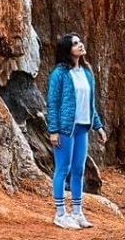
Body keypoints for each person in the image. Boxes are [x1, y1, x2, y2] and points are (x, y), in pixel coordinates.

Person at [46, 32, 107, 229]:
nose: (80, 45)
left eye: (80, 41)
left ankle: (78, 212)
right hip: (65, 128)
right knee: (63, 169)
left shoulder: (87, 72)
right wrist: (53, 130)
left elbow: (91, 104)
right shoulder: (59, 74)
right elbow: (53, 104)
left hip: (82, 126)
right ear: (67, 50)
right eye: (75, 44)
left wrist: (98, 126)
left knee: (79, 170)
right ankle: (61, 214)